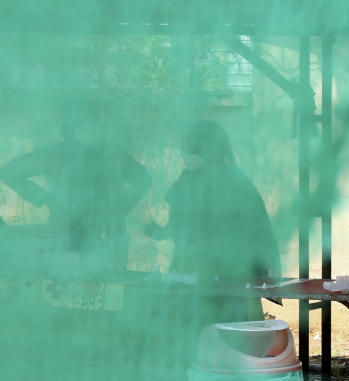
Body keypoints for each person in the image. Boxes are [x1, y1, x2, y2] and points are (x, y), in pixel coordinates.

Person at [146, 120, 280, 323]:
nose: (188, 155)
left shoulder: (236, 182)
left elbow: (253, 232)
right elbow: (179, 223)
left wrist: (215, 244)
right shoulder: (186, 179)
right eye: (188, 148)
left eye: (195, 148)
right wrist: (162, 232)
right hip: (189, 271)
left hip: (230, 275)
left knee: (229, 331)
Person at [0, 100, 149, 272]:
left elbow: (144, 179)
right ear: (70, 130)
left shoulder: (113, 155)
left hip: (109, 234)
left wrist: (119, 206)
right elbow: (9, 172)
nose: (91, 130)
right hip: (63, 233)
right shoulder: (55, 154)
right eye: (83, 126)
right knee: (63, 282)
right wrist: (45, 198)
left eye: (94, 125)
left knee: (108, 283)